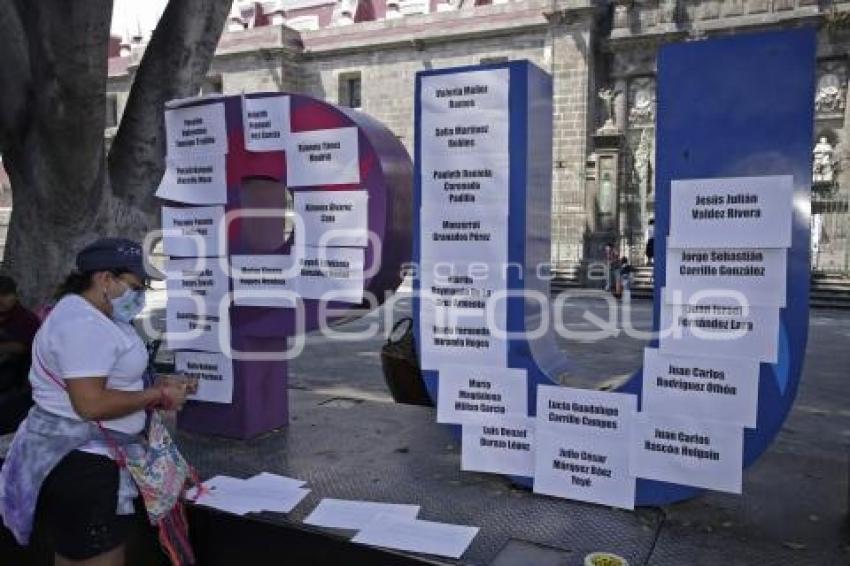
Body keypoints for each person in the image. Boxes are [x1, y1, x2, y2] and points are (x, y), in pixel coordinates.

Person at [0, 238, 189, 566]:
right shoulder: (82, 325)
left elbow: (108, 380)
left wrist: (156, 385)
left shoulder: (98, 317)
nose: (140, 294)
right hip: (83, 469)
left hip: (88, 460)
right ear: (105, 279)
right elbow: (91, 404)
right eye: (135, 285)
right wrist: (157, 395)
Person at [0, 276, 40, 433]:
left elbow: (25, 347)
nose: (1, 300)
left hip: (17, 380)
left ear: (15, 296)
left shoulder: (26, 319)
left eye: (5, 295)